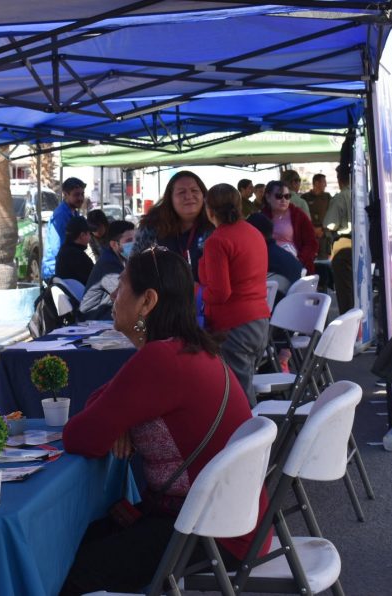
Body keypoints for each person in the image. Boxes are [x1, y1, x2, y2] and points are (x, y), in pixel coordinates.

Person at [61, 249, 269, 595]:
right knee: (79, 542)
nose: (113, 295)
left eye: (122, 285)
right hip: (230, 523)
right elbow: (103, 405)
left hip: (211, 533)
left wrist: (117, 419)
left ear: (147, 302)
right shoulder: (190, 349)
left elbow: (80, 436)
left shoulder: (160, 359)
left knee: (65, 567)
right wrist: (122, 420)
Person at [199, 184, 270, 404]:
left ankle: (253, 437)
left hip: (233, 326)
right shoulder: (253, 232)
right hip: (259, 320)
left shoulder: (218, 240)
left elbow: (220, 293)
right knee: (242, 387)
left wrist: (198, 293)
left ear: (209, 210)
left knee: (237, 396)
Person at [132, 171, 213, 282]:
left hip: (206, 297)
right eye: (181, 192)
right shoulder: (151, 228)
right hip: (163, 297)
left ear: (204, 196)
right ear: (170, 199)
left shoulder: (216, 227)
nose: (189, 196)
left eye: (194, 190)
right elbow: (134, 267)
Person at [80, 220, 135, 321]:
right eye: (129, 241)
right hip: (94, 317)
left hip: (107, 313)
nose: (134, 244)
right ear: (114, 244)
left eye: (136, 239)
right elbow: (126, 294)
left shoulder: (122, 259)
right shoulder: (108, 264)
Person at [261, 180, 318, 274]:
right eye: (279, 196)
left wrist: (299, 260)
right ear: (268, 197)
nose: (284, 200)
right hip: (270, 267)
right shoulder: (261, 217)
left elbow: (312, 243)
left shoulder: (298, 215)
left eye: (287, 196)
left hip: (295, 266)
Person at [247, 212, 303, 297]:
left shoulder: (262, 257)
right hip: (292, 304)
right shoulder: (283, 254)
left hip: (275, 305)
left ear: (257, 234)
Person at [43, 177, 87, 280]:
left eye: (82, 194)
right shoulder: (61, 215)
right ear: (65, 195)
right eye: (76, 195)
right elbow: (57, 248)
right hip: (55, 271)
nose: (80, 198)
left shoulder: (74, 213)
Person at [324, 164, 354, 313]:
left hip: (343, 245)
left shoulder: (341, 197)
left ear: (340, 179)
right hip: (361, 244)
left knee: (345, 291)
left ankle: (349, 325)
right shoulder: (363, 195)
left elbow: (330, 224)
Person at [55, 216, 95, 285]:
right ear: (82, 235)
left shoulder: (63, 251)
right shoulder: (79, 257)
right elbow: (96, 281)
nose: (90, 237)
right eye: (89, 233)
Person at [301, 173, 333, 259]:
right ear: (316, 183)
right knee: (310, 259)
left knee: (324, 260)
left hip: (324, 234)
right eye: (324, 182)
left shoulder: (327, 197)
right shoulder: (305, 197)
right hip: (309, 234)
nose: (325, 185)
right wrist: (312, 229)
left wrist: (322, 229)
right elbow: (302, 216)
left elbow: (331, 215)